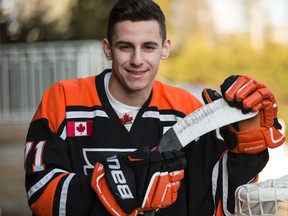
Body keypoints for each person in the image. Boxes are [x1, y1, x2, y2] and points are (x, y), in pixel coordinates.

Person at [24, 0, 286, 215]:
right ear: (108, 49)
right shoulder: (62, 99)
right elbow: (40, 193)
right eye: (125, 47)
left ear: (164, 49)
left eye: (148, 47)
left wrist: (246, 149)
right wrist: (119, 187)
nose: (137, 60)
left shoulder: (186, 108)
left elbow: (211, 199)